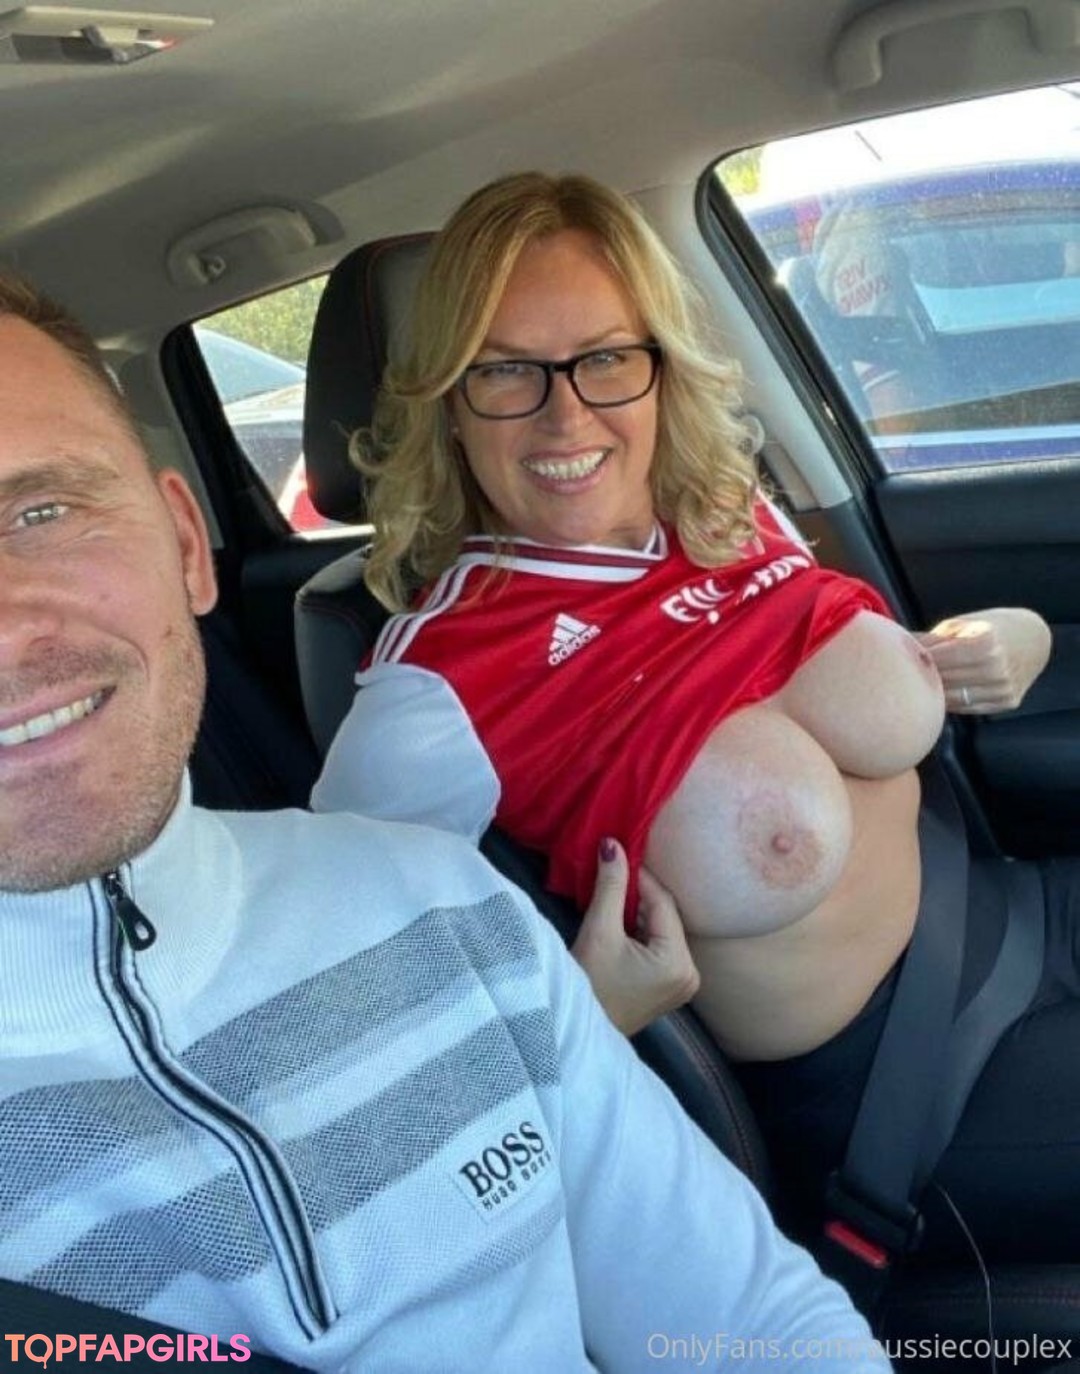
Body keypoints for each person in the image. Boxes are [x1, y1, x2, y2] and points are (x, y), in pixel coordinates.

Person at [0, 273, 891, 1370]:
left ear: (185, 543)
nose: (6, 627)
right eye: (505, 374)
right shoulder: (439, 686)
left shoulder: (439, 903)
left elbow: (756, 1331)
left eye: (41, 513)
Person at [312, 173, 1080, 1264]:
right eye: (505, 370)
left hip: (1021, 912)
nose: (566, 414)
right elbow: (342, 1031)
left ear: (662, 365)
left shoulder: (722, 514)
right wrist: (584, 1017)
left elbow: (844, 688)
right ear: (448, 401)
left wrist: (1012, 637)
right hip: (903, 1108)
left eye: (605, 358)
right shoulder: (433, 688)